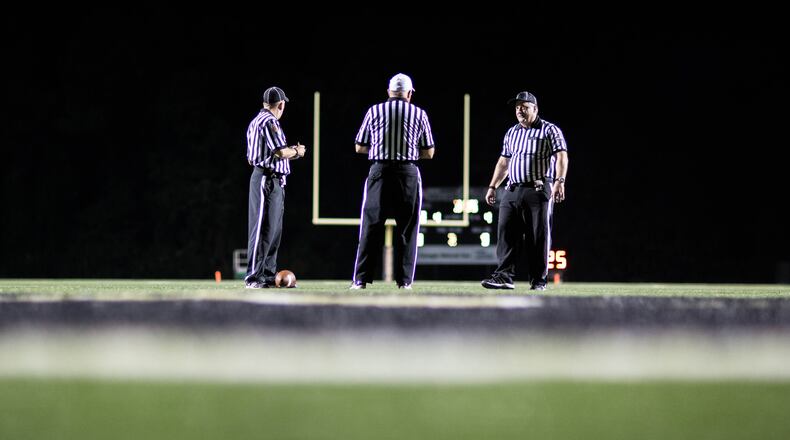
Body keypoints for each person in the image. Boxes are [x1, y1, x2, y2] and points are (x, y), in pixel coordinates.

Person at [350, 73, 435, 290]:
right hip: (407, 173)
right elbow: (429, 152)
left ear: (389, 92)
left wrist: (381, 148)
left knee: (370, 226)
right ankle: (404, 282)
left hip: (379, 170)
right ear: (409, 93)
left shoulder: (374, 110)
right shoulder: (419, 113)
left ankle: (360, 280)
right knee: (407, 229)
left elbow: (360, 146)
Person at [481, 91, 568, 291]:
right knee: (506, 234)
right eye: (518, 107)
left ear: (535, 109)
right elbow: (504, 162)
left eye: (525, 106)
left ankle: (538, 280)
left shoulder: (549, 130)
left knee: (538, 236)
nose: (520, 110)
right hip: (512, 189)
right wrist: (493, 186)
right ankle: (504, 277)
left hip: (538, 190)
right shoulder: (512, 132)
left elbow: (562, 156)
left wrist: (559, 181)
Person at [244, 86, 306, 288]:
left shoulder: (255, 121)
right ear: (281, 105)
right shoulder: (269, 121)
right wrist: (297, 151)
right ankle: (253, 277)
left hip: (269, 178)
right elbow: (280, 152)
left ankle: (268, 274)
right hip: (267, 178)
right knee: (262, 229)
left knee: (272, 230)